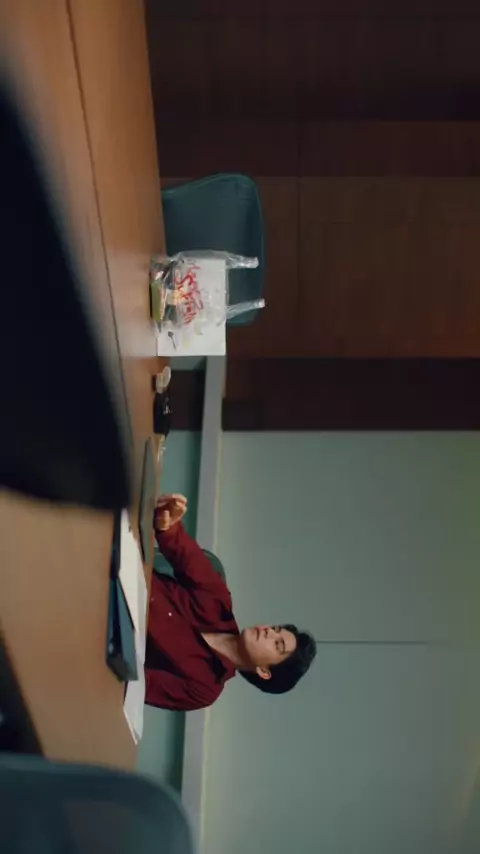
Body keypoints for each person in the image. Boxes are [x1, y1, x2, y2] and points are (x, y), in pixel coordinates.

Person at [145, 494, 316, 711]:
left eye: (277, 644)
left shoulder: (203, 689)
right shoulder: (218, 601)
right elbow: (183, 552)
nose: (268, 632)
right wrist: (166, 521)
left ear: (264, 672)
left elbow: (134, 684)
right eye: (275, 629)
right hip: (116, 573)